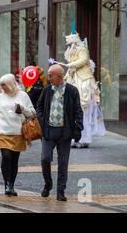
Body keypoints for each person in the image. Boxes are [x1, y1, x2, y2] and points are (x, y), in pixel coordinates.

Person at [37, 64, 84, 202]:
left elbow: (78, 111)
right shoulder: (47, 90)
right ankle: (48, 184)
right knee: (45, 158)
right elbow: (39, 106)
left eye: (51, 75)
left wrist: (78, 129)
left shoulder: (72, 90)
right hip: (48, 131)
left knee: (63, 162)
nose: (48, 77)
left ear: (59, 76)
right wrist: (42, 120)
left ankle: (60, 191)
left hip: (65, 132)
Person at [0, 74, 35, 196]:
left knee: (14, 160)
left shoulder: (23, 96)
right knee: (6, 156)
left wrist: (23, 109)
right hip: (3, 132)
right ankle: (7, 184)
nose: (2, 87)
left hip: (18, 133)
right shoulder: (0, 97)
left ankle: (11, 185)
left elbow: (32, 114)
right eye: (1, 85)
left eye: (4, 84)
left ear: (11, 84)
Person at [63, 33, 106, 148]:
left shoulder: (82, 49)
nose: (70, 45)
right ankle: (75, 137)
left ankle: (84, 138)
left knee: (83, 109)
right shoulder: (71, 51)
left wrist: (72, 64)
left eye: (71, 43)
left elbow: (83, 60)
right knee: (73, 111)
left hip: (83, 80)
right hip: (73, 78)